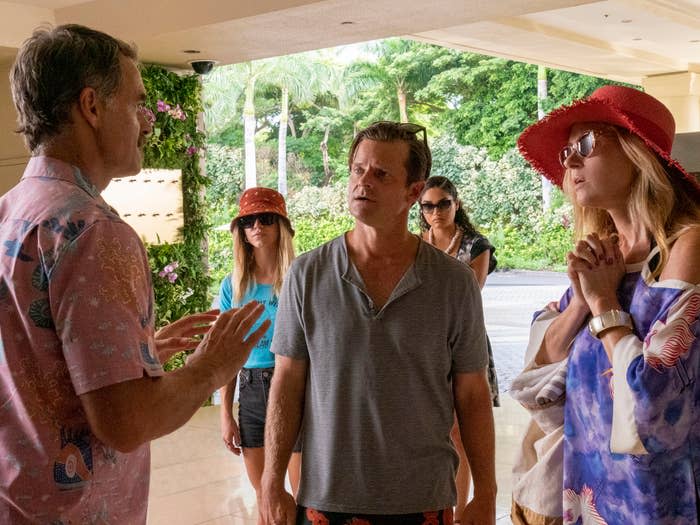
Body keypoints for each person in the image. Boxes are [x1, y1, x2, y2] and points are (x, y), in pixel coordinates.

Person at [0, 25, 268, 523]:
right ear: (92, 107)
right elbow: (126, 422)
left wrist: (137, 354)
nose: (147, 122)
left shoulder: (9, 214)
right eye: (136, 103)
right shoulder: (93, 231)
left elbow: (28, 362)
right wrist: (212, 365)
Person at [260, 121, 497, 525]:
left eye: (380, 174)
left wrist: (486, 492)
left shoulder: (454, 283)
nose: (362, 182)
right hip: (327, 497)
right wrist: (271, 480)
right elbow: (286, 383)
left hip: (423, 497)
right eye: (357, 169)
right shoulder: (307, 274)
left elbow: (472, 393)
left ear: (412, 192)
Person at [516, 85, 700, 523]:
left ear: (639, 152)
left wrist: (601, 302)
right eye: (566, 153)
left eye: (586, 144)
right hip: (590, 493)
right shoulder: (605, 255)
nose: (571, 161)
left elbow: (654, 402)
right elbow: (537, 378)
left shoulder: (687, 244)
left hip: (658, 501)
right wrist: (581, 302)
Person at [419, 175, 499, 524]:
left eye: (442, 204)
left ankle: (461, 508)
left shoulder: (476, 245)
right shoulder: (413, 244)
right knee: (428, 428)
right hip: (421, 343)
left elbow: (468, 293)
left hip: (462, 341)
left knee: (461, 431)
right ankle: (436, 505)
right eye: (428, 206)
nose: (435, 212)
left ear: (456, 204)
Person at [219, 187, 301, 519]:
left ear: (281, 225)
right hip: (251, 390)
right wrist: (225, 413)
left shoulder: (299, 278)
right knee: (265, 495)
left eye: (266, 218)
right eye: (248, 220)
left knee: (304, 494)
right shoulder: (233, 285)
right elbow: (226, 356)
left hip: (295, 388)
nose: (257, 227)